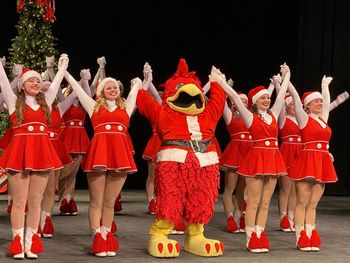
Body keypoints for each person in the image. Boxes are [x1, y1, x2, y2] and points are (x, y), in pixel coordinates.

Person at [136, 58, 226, 258]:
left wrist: (218, 82)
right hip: (175, 163)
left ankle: (196, 236)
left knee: (200, 200)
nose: (190, 97)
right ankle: (159, 233)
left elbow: (218, 102)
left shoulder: (207, 116)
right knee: (171, 199)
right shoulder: (164, 114)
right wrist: (140, 85)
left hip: (204, 163)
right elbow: (144, 102)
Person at [212, 63, 291, 253]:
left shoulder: (273, 114)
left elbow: (281, 95)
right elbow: (233, 97)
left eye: (267, 97)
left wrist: (286, 75)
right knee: (253, 201)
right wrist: (220, 81)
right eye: (262, 98)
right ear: (254, 102)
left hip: (273, 159)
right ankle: (250, 236)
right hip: (256, 159)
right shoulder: (248, 116)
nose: (266, 100)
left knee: (265, 202)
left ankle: (260, 232)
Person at [64, 67, 142, 257]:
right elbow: (79, 89)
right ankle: (96, 236)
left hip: (119, 156)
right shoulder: (93, 106)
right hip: (99, 155)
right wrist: (64, 72)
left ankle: (106, 235)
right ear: (101, 92)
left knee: (109, 201)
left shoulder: (125, 108)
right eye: (109, 87)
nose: (113, 90)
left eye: (115, 87)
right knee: (97, 201)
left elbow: (134, 93)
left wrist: (140, 82)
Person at [0, 54, 68, 259]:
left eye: (38, 80)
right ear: (22, 85)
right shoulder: (13, 102)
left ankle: (30, 242)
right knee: (20, 202)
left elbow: (55, 85)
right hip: (19, 154)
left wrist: (63, 67)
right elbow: (3, 81)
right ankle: (18, 242)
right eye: (31, 80)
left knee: (36, 201)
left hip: (41, 154)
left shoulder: (46, 103)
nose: (36, 83)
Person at [286, 76, 338, 252]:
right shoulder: (303, 118)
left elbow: (328, 100)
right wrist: (287, 78)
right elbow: (293, 95)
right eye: (316, 101)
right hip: (307, 161)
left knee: (313, 203)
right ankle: (301, 235)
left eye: (321, 101)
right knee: (302, 201)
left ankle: (310, 232)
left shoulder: (323, 118)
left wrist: (324, 85)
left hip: (322, 162)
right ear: (306, 105)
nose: (320, 103)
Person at [40, 60, 78, 237]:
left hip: (53, 149)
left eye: (51, 89)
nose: (50, 90)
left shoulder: (60, 108)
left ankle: (45, 219)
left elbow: (77, 94)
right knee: (36, 190)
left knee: (49, 189)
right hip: (38, 147)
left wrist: (81, 80)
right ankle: (32, 220)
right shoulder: (32, 107)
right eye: (45, 88)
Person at [219, 87, 253, 233]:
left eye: (245, 101)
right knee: (229, 188)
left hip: (248, 154)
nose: (243, 103)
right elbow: (222, 102)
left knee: (242, 189)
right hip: (235, 152)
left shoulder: (250, 116)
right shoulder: (229, 115)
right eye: (240, 101)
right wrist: (222, 85)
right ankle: (230, 218)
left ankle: (240, 217)